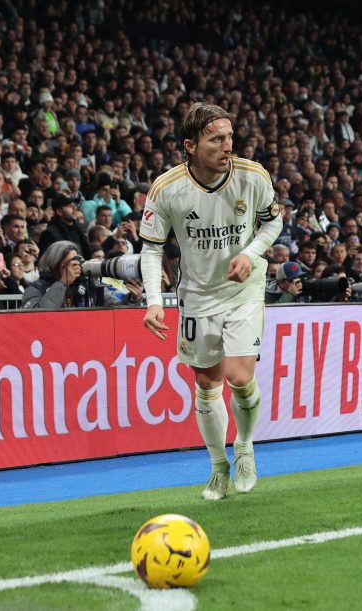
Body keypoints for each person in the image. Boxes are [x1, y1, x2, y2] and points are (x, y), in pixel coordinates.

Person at [139, 103, 282, 500]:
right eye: (216, 139)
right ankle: (218, 466)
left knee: (239, 377)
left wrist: (250, 254)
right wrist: (154, 301)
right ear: (190, 145)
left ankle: (245, 446)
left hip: (243, 289)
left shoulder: (252, 176)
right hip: (197, 296)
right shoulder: (167, 188)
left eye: (229, 137)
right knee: (206, 383)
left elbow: (273, 221)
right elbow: (151, 249)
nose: (227, 146)